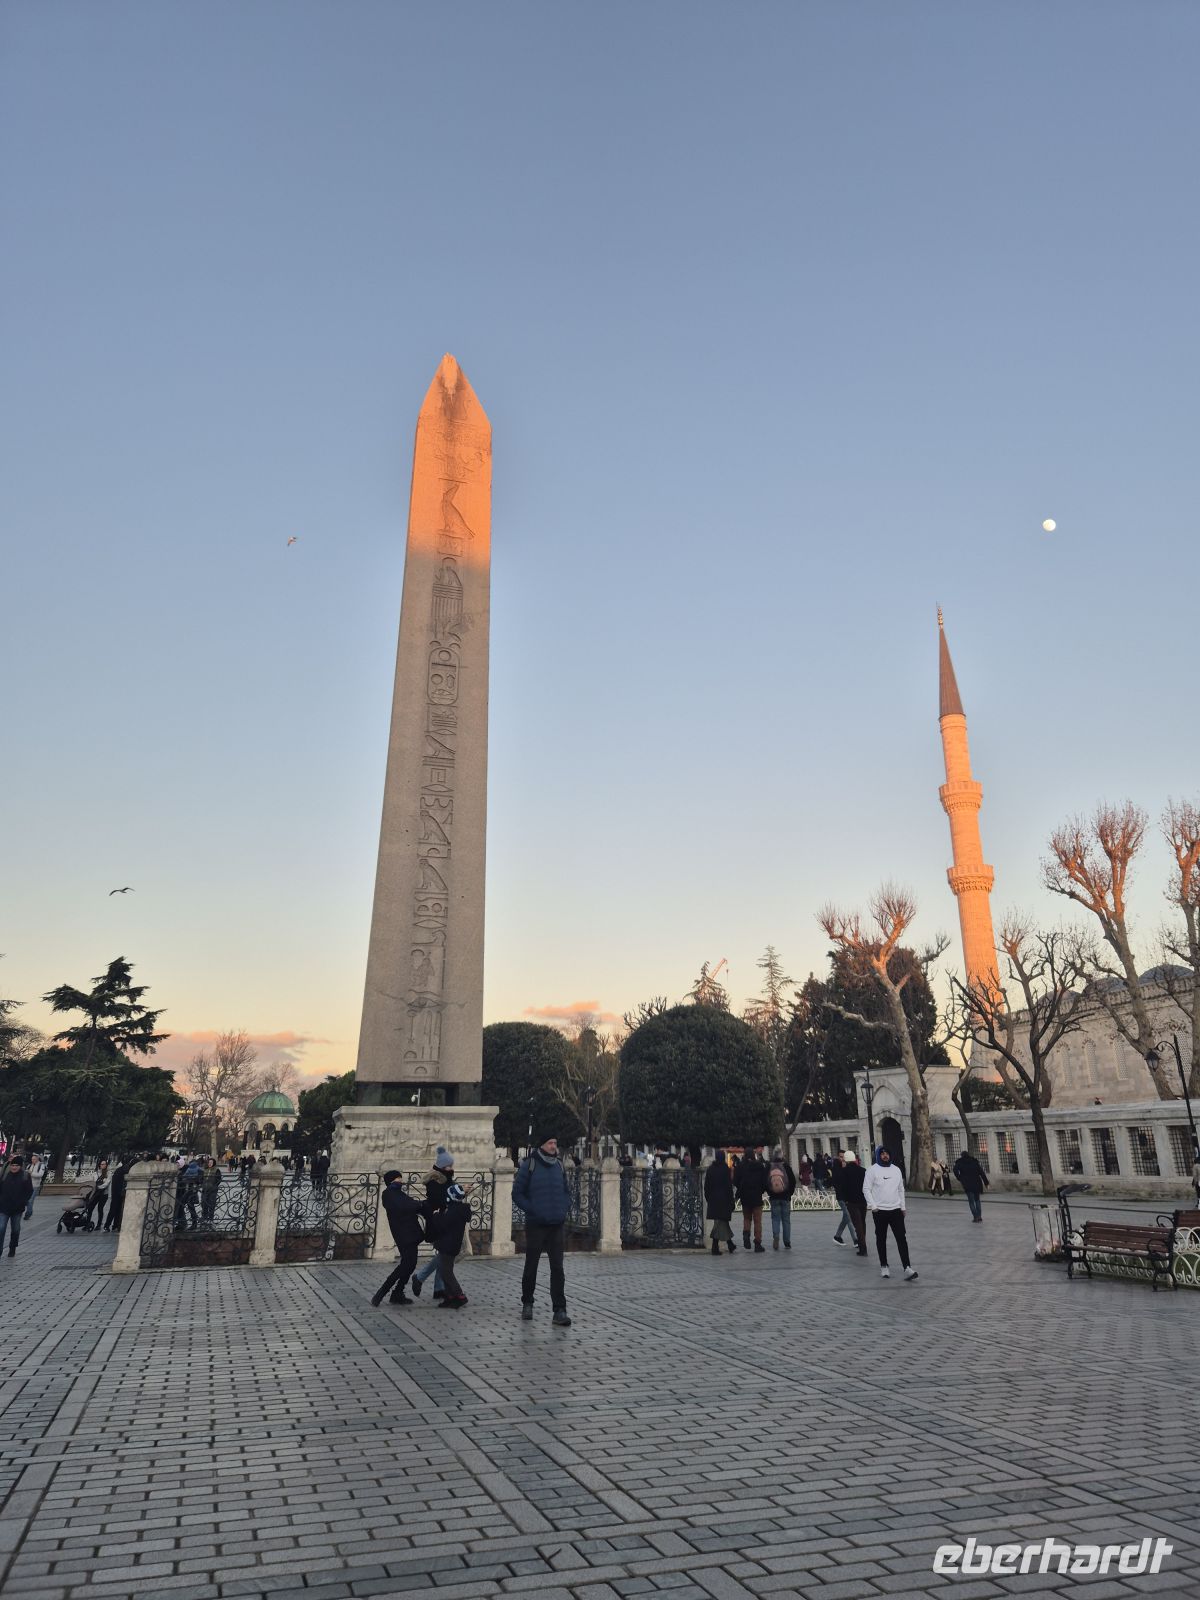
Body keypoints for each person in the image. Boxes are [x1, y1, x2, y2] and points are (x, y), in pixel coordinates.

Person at [512, 1131, 572, 1326]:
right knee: (531, 1265)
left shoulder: (560, 1166)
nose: (554, 1146)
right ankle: (527, 1303)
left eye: (555, 1142)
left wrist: (563, 1208)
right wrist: (533, 1210)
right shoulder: (529, 1165)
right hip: (536, 1223)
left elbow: (566, 1191)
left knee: (558, 1268)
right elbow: (517, 1193)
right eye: (550, 1143)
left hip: (556, 1224)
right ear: (542, 1145)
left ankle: (560, 1310)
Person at [372, 1171, 427, 1306]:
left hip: (410, 1233)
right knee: (406, 1265)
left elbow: (410, 1204)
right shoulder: (389, 1194)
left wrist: (421, 1206)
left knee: (410, 1264)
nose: (401, 1181)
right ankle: (382, 1292)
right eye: (398, 1178)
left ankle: (397, 1293)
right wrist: (419, 1205)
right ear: (391, 1180)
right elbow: (405, 1205)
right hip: (404, 1234)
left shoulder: (397, 1193)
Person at [863, 1147, 917, 1280]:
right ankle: (884, 1266)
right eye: (882, 1154)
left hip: (896, 1210)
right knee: (881, 1239)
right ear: (878, 1155)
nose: (885, 1156)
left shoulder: (896, 1169)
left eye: (887, 1153)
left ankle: (907, 1267)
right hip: (880, 1211)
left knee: (901, 1238)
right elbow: (866, 1189)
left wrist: (902, 1207)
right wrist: (873, 1206)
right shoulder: (872, 1170)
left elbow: (900, 1189)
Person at [411, 1148, 455, 1301]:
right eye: (449, 1166)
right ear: (443, 1166)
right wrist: (455, 1196)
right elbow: (440, 1200)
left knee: (443, 1253)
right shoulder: (435, 1180)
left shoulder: (445, 1178)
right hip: (438, 1220)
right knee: (444, 1254)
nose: (452, 1168)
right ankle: (420, 1277)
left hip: (445, 1219)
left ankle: (439, 1288)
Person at [428, 1181, 472, 1309]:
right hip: (450, 1244)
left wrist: (436, 1215)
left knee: (446, 1272)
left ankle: (459, 1296)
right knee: (444, 1270)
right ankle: (450, 1296)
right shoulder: (458, 1209)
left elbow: (442, 1225)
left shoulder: (454, 1211)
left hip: (448, 1245)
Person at [734, 1147, 769, 1253]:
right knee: (758, 1221)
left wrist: (741, 1188)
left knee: (747, 1218)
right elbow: (764, 1181)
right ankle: (757, 1243)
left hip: (745, 1197)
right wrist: (761, 1190)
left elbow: (735, 1181)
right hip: (757, 1197)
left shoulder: (740, 1166)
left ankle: (746, 1233)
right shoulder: (759, 1166)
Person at [704, 1150, 737, 1256]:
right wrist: (731, 1200)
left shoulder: (710, 1169)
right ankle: (715, 1247)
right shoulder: (725, 1169)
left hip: (713, 1200)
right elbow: (728, 1187)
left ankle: (730, 1244)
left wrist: (709, 1198)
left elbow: (706, 1187)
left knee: (721, 1222)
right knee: (720, 1223)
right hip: (724, 1200)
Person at [0, 1156, 33, 1258]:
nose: (14, 1167)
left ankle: (12, 1247)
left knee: (16, 1229)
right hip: (3, 1207)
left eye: (16, 1165)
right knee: (1, 1228)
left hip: (17, 1209)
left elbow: (29, 1191)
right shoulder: (5, 1175)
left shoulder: (25, 1176)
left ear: (20, 1166)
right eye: (12, 1165)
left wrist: (22, 1202)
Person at [766, 1149, 796, 1250]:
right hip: (785, 1197)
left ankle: (776, 1236)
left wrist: (770, 1192)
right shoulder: (786, 1167)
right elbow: (793, 1181)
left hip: (774, 1198)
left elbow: (765, 1181)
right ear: (782, 1156)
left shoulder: (769, 1167)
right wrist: (789, 1193)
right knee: (786, 1220)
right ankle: (787, 1242)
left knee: (775, 1219)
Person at [829, 1150, 859, 1249]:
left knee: (845, 1218)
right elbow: (836, 1183)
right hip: (841, 1197)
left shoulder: (845, 1168)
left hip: (847, 1197)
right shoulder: (837, 1168)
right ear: (838, 1157)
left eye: (844, 1157)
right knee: (849, 1217)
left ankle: (837, 1236)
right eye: (841, 1157)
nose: (843, 1159)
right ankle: (855, 1240)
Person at [841, 1151, 868, 1256]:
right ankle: (863, 1244)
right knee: (862, 1222)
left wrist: (845, 1199)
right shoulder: (863, 1171)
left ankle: (863, 1248)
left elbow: (843, 1187)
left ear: (846, 1160)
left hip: (852, 1202)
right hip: (863, 1201)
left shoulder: (844, 1171)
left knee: (858, 1225)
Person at [953, 1150, 989, 1222]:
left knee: (971, 1201)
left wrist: (960, 1178)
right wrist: (986, 1182)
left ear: (962, 1155)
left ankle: (975, 1217)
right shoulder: (974, 1161)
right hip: (976, 1183)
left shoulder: (960, 1162)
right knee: (977, 1200)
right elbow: (981, 1173)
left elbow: (955, 1170)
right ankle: (979, 1216)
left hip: (967, 1183)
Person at [86, 1160, 111, 1231]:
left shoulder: (109, 1173)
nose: (103, 1165)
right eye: (101, 1164)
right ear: (99, 1165)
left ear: (106, 1165)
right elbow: (92, 1182)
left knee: (100, 1209)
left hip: (103, 1194)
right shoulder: (95, 1173)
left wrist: (99, 1187)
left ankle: (99, 1225)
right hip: (96, 1194)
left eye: (104, 1164)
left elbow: (106, 1184)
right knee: (90, 1208)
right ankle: (87, 1224)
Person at [105, 1160, 128, 1233]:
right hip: (119, 1194)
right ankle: (111, 1225)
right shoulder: (123, 1171)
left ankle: (112, 1225)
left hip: (116, 1194)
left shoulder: (118, 1170)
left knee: (114, 1210)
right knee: (116, 1210)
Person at [201, 1158, 222, 1223]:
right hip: (205, 1189)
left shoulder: (216, 1170)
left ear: (214, 1163)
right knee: (204, 1204)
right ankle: (204, 1217)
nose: (210, 1163)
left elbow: (219, 1179)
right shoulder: (205, 1169)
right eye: (209, 1162)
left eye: (211, 1162)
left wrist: (214, 1186)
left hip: (212, 1190)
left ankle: (210, 1219)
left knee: (211, 1204)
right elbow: (201, 1178)